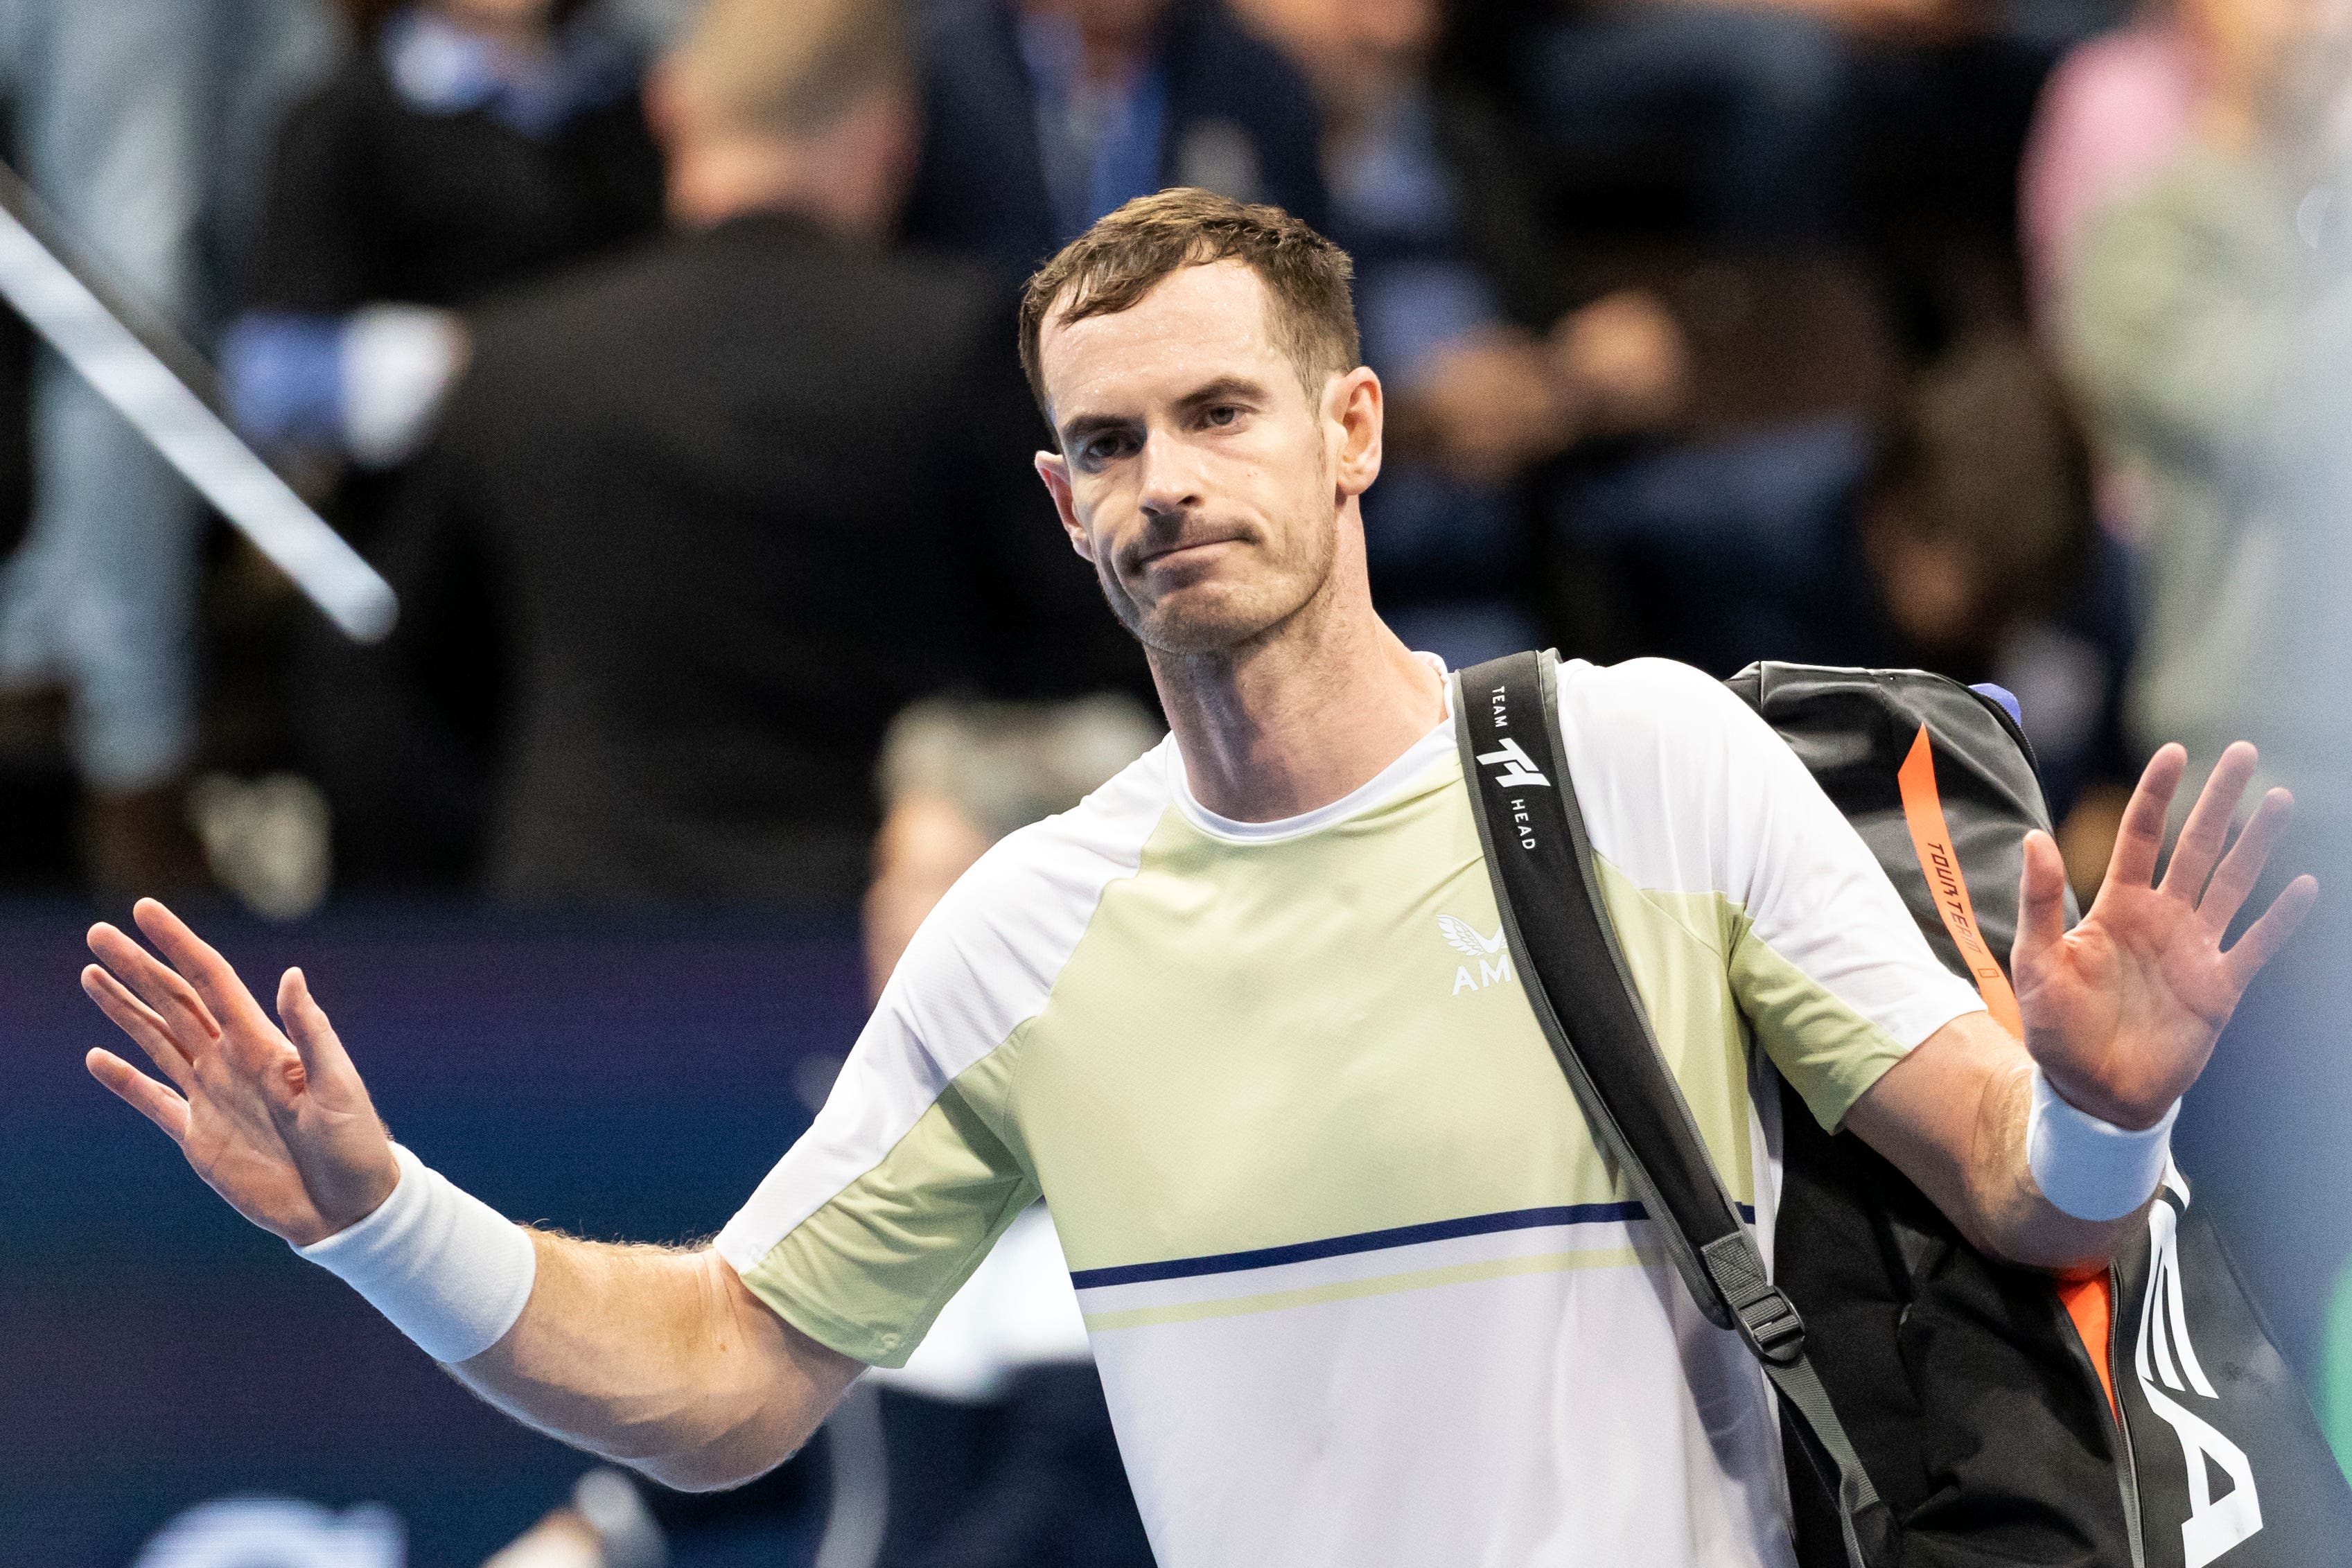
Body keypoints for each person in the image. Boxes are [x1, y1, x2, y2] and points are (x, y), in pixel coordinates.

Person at [76, 188, 2315, 1566]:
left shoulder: (1640, 758)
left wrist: (2109, 1100)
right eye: (1110, 444)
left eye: (1220, 414)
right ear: (1061, 508)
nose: (1165, 480)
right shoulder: (1024, 936)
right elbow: (730, 1367)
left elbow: (2032, 1201)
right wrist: (382, 1221)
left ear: (1349, 434)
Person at [325, 0, 1141, 906]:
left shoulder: (517, 360)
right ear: (891, 136)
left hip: (568, 933)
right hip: (868, 939)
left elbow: (383, 690)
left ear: (669, 109)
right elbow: (1086, 652)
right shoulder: (954, 349)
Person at [902, 0, 1326, 289]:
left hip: (1186, 381)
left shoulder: (1254, 82)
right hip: (988, 387)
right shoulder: (942, 68)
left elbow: (1307, 271)